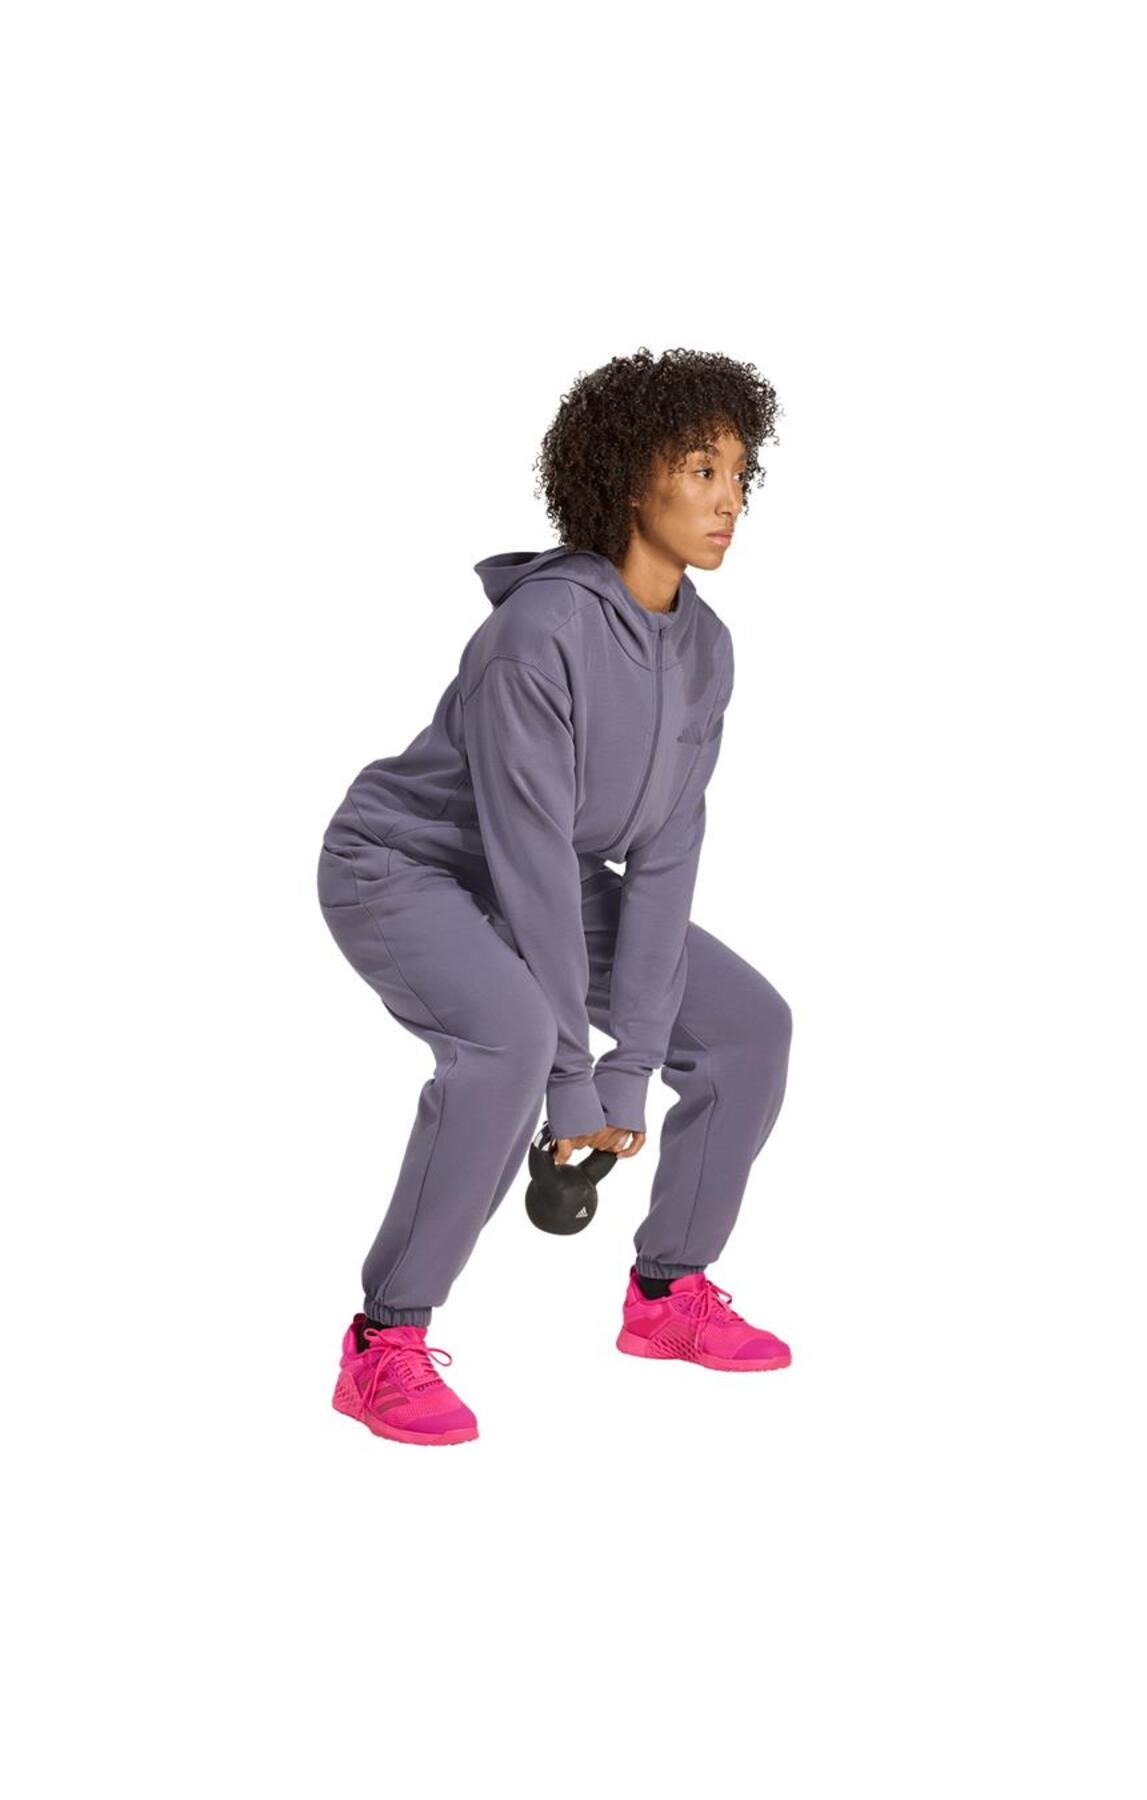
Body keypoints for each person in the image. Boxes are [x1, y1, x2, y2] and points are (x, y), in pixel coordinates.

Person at [317, 346, 793, 1446]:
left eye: (739, 473)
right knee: (514, 1041)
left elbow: (667, 853)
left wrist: (636, 1064)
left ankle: (668, 1295)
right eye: (701, 471)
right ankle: (383, 1342)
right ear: (629, 482)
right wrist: (576, 1078)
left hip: (550, 876)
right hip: (408, 865)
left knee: (748, 1028)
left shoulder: (706, 650)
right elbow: (525, 853)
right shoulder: (539, 632)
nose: (730, 499)